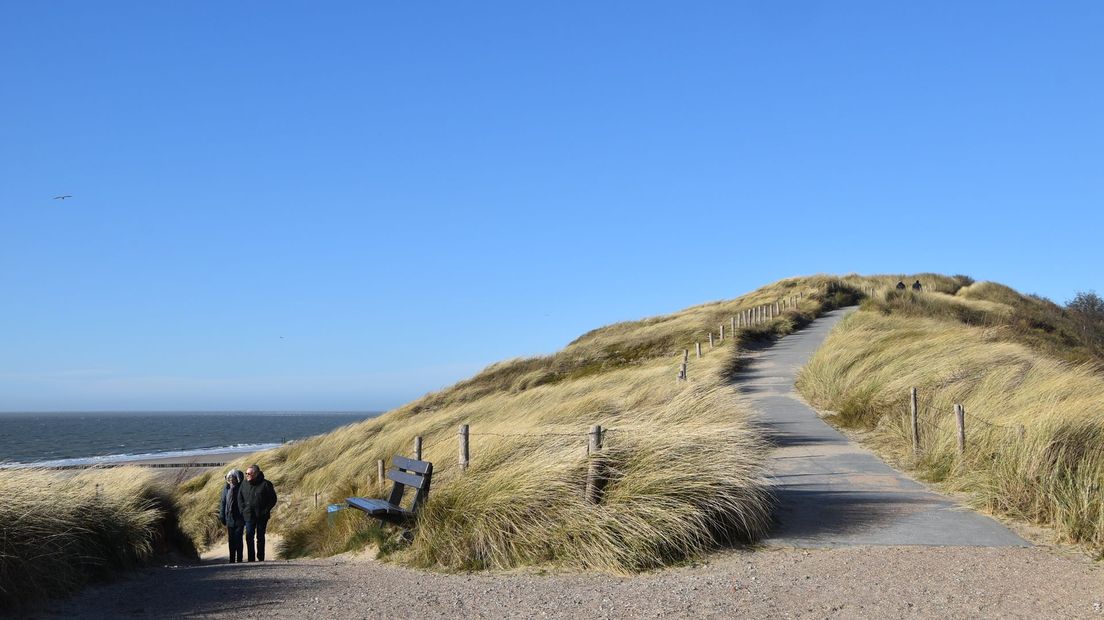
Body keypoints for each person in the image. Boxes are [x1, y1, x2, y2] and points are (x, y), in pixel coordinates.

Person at [238, 463, 278, 562]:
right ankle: (251, 558)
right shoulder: (244, 484)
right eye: (246, 473)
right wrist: (242, 510)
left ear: (256, 474)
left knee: (260, 537)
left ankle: (261, 558)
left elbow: (273, 499)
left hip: (261, 516)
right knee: (249, 537)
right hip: (248, 515)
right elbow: (239, 498)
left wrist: (265, 510)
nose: (247, 475)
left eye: (249, 474)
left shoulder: (266, 484)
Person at [218, 469, 245, 563]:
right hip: (229, 518)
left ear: (237, 479)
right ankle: (232, 559)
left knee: (238, 539)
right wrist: (222, 516)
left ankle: (240, 559)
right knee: (231, 540)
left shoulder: (241, 488)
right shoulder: (226, 489)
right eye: (229, 478)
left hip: (239, 518)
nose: (230, 479)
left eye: (232, 478)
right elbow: (223, 503)